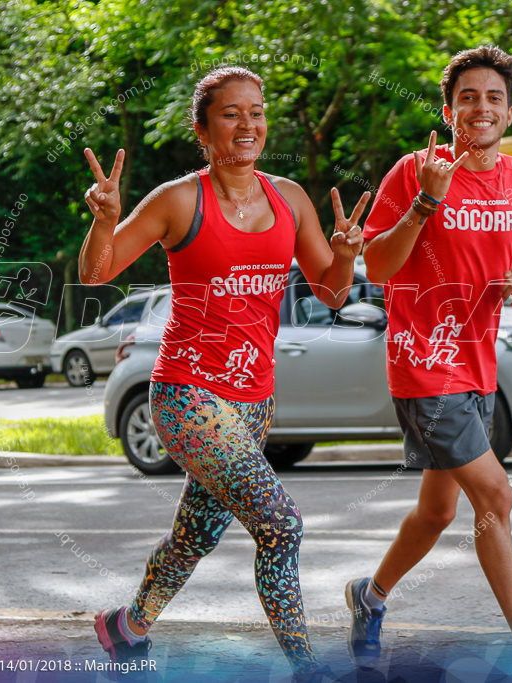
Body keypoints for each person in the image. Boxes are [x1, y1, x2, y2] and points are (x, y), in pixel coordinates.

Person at [78, 66, 369, 682]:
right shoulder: (180, 200)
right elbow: (97, 272)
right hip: (187, 394)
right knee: (281, 524)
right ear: (202, 130)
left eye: (257, 111)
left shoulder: (288, 198)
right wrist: (105, 219)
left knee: (194, 537)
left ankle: (126, 629)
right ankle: (308, 668)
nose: (248, 124)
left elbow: (331, 292)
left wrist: (343, 257)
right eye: (232, 113)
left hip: (255, 402)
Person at [344, 44, 512, 668]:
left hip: (478, 364)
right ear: (449, 108)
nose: (481, 107)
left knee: (436, 512)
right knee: (496, 498)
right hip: (423, 361)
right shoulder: (417, 170)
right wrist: (424, 203)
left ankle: (370, 594)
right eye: (469, 97)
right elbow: (378, 265)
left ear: (509, 113)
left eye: (494, 97)